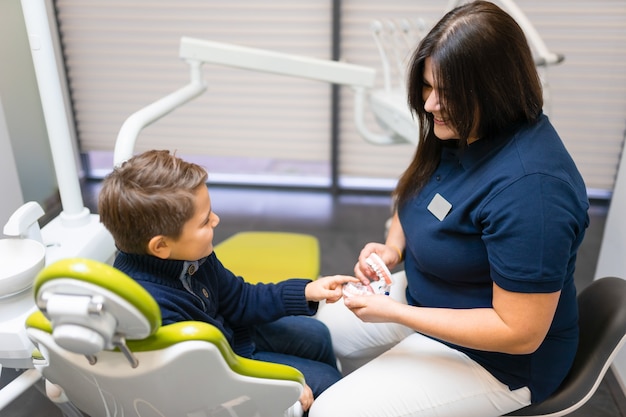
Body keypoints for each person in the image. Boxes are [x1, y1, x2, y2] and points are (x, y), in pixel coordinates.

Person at [311, 2, 589, 416]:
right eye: (427, 86)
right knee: (314, 334)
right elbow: (416, 194)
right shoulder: (464, 130)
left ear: (496, 90)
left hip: (498, 361)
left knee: (333, 412)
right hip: (427, 298)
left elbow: (519, 333)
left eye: (448, 94)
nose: (429, 105)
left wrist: (397, 313)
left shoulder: (533, 192)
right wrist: (392, 249)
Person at [98, 149, 357, 413]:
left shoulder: (191, 256)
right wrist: (282, 383)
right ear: (161, 246)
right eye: (204, 221)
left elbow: (239, 298)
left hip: (231, 336)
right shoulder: (154, 307)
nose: (216, 219)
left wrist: (305, 291)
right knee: (327, 383)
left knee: (317, 334)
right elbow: (204, 377)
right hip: (223, 366)